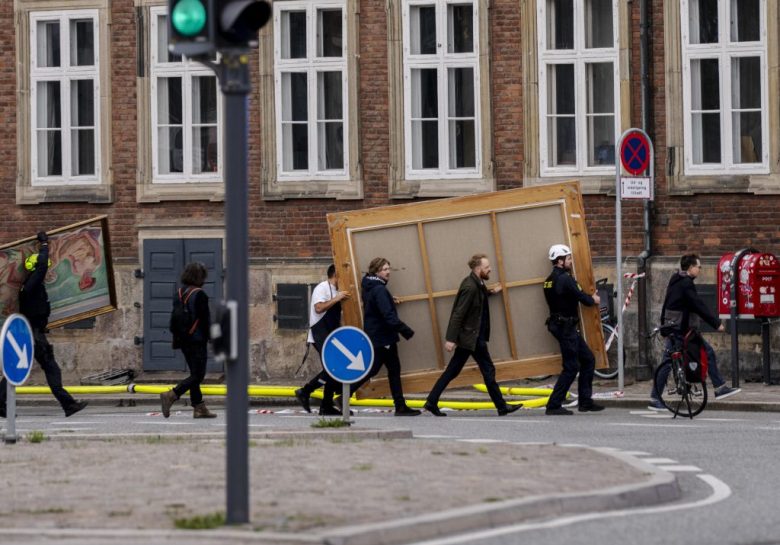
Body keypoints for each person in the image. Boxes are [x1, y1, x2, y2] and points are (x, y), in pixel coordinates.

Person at [0, 231, 88, 419]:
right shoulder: (31, 285)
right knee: (49, 368)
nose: (46, 271)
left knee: (16, 368)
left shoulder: (28, 286)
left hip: (33, 332)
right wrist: (45, 245)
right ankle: (69, 404)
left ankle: (1, 404)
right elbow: (41, 267)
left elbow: (40, 268)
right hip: (34, 335)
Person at [424, 254, 521, 417]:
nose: (490, 269)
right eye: (487, 267)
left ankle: (431, 402)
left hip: (472, 337)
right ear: (478, 269)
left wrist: (491, 291)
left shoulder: (478, 283)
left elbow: (479, 297)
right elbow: (458, 313)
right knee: (488, 370)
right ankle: (502, 406)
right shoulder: (470, 287)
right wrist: (450, 339)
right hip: (473, 338)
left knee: (453, 371)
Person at [649, 254, 740, 410]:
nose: (700, 269)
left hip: (674, 327)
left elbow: (672, 303)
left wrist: (664, 324)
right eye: (699, 266)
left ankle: (655, 397)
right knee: (704, 353)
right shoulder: (686, 284)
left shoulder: (676, 279)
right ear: (690, 267)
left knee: (668, 362)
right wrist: (716, 323)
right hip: (679, 329)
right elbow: (697, 305)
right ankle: (719, 388)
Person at [349, 257, 420, 416]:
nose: (388, 272)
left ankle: (400, 406)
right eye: (385, 269)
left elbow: (377, 308)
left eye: (389, 269)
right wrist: (406, 330)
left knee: (391, 370)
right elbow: (387, 316)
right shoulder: (379, 289)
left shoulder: (371, 286)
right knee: (374, 370)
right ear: (377, 272)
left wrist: (389, 300)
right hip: (383, 337)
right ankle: (343, 395)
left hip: (379, 335)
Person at [543, 244, 604, 415]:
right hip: (565, 327)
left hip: (561, 325)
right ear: (560, 261)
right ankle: (553, 405)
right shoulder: (565, 278)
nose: (571, 261)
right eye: (569, 258)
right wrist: (593, 299)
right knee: (571, 366)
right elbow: (582, 298)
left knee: (588, 359)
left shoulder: (549, 280)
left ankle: (585, 402)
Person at [160, 262, 216, 419]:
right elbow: (205, 320)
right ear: (200, 277)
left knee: (194, 373)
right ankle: (172, 394)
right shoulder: (200, 294)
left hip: (182, 340)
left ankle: (199, 407)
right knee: (198, 375)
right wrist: (211, 338)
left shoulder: (179, 293)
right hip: (197, 340)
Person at [294, 264, 350, 415]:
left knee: (334, 369)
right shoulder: (322, 288)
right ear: (336, 274)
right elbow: (318, 308)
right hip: (321, 334)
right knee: (333, 369)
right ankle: (306, 392)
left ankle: (324, 404)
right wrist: (336, 298)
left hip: (332, 335)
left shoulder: (337, 290)